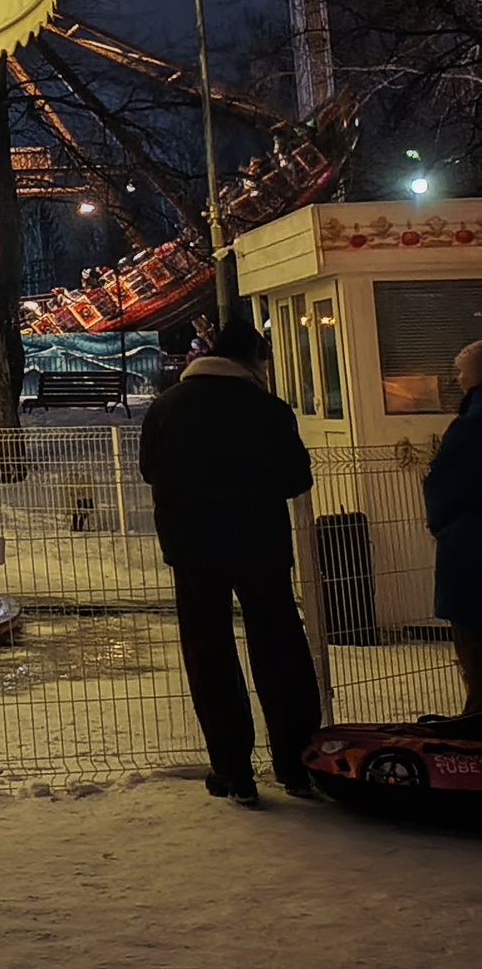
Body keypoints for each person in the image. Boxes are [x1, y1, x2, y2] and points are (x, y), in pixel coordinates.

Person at [138, 310, 319, 803]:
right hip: (260, 543)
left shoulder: (167, 407)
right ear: (251, 360)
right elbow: (296, 479)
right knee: (279, 644)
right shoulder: (267, 409)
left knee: (208, 651)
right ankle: (296, 763)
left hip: (191, 546)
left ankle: (233, 770)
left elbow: (150, 470)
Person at [424, 340, 482, 719]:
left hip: (471, 558)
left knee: (477, 660)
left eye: (460, 372)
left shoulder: (468, 428)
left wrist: (443, 528)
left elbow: (443, 489)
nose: (457, 379)